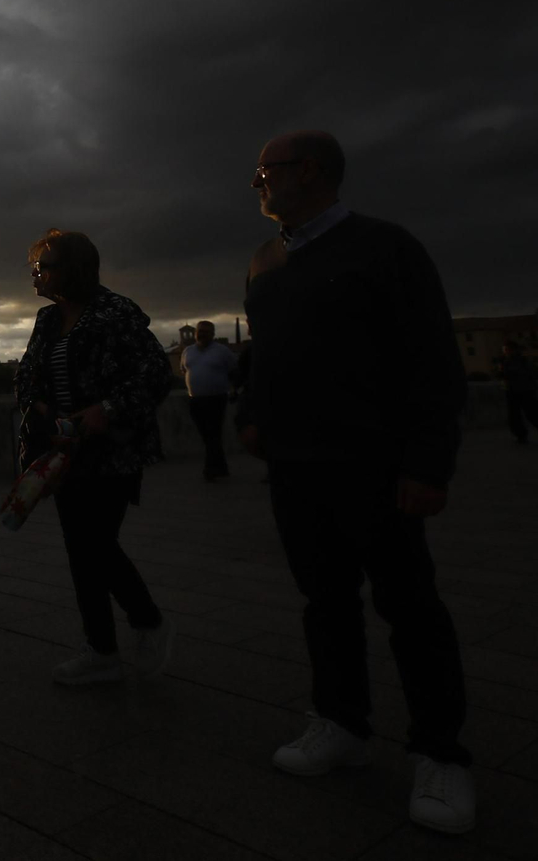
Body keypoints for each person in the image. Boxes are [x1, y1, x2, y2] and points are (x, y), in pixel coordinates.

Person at [237, 130, 473, 834]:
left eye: (263, 173)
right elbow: (266, 353)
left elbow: (432, 359)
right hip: (297, 467)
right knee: (325, 600)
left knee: (410, 607)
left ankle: (441, 754)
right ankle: (342, 722)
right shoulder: (264, 259)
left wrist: (427, 464)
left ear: (308, 172)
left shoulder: (386, 248)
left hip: (374, 465)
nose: (257, 185)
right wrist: (252, 415)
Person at [14, 229, 174, 686]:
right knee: (80, 550)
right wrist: (39, 406)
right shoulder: (47, 321)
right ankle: (101, 649)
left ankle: (147, 620)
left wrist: (107, 409)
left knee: (96, 545)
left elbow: (154, 375)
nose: (36, 275)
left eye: (44, 266)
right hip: (62, 454)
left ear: (73, 269)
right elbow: (25, 375)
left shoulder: (115, 313)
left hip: (111, 453)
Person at [179, 320, 236, 480]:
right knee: (207, 435)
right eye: (200, 331)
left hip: (216, 399)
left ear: (213, 334)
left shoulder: (222, 351)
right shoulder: (187, 351)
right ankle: (221, 467)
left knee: (213, 433)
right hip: (196, 400)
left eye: (206, 331)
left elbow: (233, 370)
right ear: (196, 333)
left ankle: (211, 469)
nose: (202, 334)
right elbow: (184, 370)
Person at [495, 341, 538, 444]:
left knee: (530, 413)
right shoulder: (509, 361)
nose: (505, 352)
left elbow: (519, 373)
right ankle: (521, 435)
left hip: (522, 390)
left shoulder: (520, 361)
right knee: (517, 415)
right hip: (515, 390)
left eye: (506, 350)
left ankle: (521, 435)